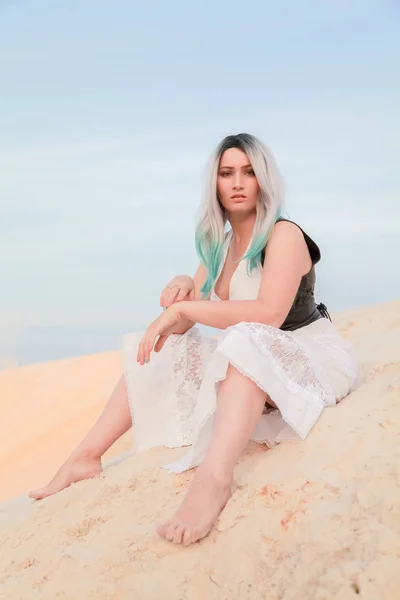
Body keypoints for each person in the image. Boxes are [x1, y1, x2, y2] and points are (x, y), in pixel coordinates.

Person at [29, 133, 358, 546]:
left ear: (264, 181)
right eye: (226, 173)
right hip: (252, 361)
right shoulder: (218, 247)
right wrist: (185, 289)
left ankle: (214, 478)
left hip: (309, 355)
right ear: (215, 184)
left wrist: (188, 310)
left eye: (249, 172)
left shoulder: (284, 234)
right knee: (174, 347)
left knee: (245, 338)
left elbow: (268, 314)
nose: (238, 182)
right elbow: (184, 325)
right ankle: (85, 458)